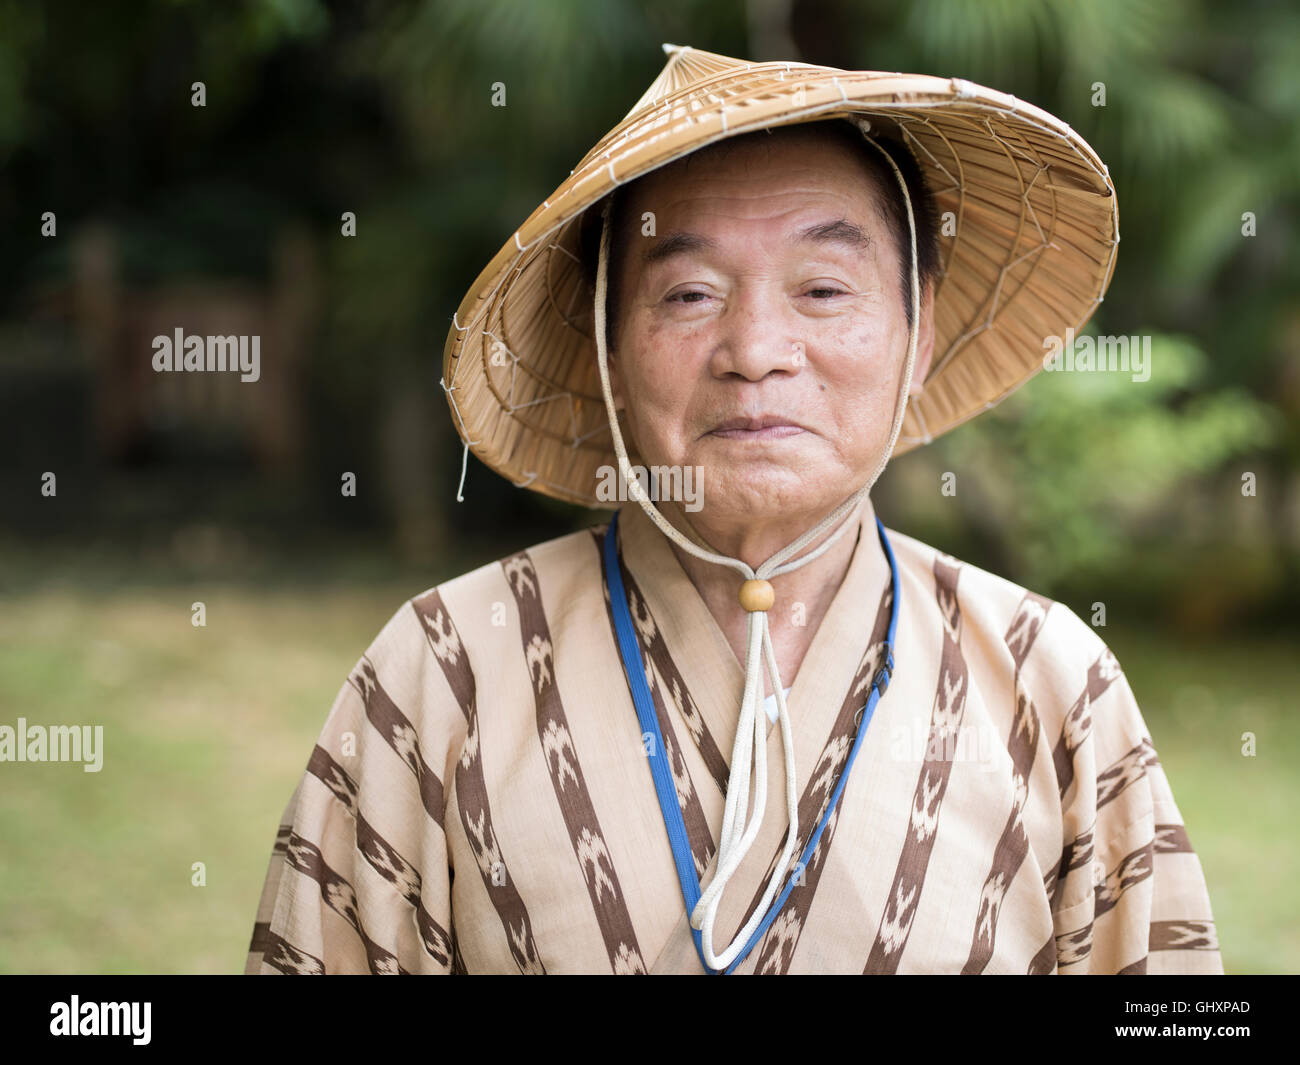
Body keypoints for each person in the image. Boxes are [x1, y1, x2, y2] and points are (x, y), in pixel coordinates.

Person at [244, 45, 1222, 974]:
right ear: (609, 353)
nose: (755, 348)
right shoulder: (443, 668)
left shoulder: (1050, 682)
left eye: (824, 288)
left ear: (917, 336)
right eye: (688, 294)